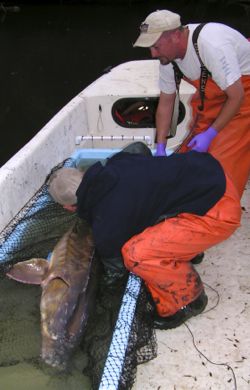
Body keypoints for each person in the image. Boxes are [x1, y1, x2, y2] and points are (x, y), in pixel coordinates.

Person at [47, 146, 241, 329]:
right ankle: (189, 252)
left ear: (69, 207)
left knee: (135, 254)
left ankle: (189, 301)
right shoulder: (118, 162)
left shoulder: (106, 221)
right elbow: (139, 148)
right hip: (214, 175)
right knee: (152, 206)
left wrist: (108, 287)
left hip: (218, 214)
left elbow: (116, 267)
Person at [133, 9, 250, 198]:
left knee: (221, 166)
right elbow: (166, 103)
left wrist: (211, 134)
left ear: (176, 36)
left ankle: (221, 212)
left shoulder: (212, 45)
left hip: (243, 94)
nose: (153, 54)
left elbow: (237, 97)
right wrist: (160, 146)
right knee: (189, 159)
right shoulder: (167, 60)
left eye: (156, 46)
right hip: (216, 93)